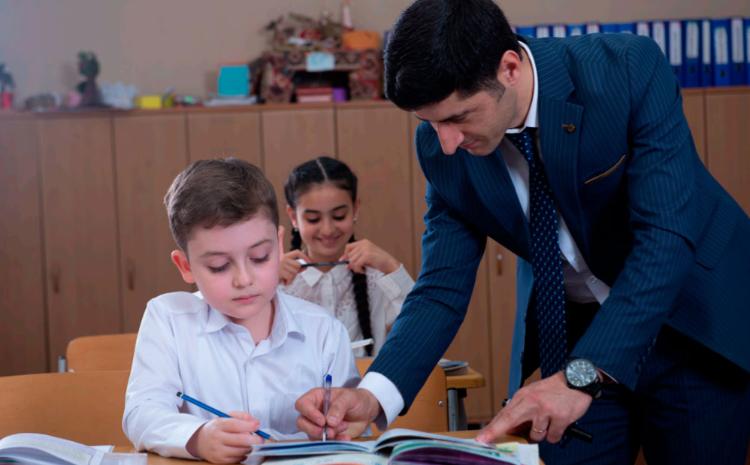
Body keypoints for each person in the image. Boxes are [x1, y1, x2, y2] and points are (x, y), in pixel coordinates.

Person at [294, 1, 750, 464]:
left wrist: (580, 378)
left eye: (458, 117)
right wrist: (372, 394)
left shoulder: (627, 68)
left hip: (689, 317)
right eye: (430, 122)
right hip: (579, 330)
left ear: (509, 68)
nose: (446, 142)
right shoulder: (439, 147)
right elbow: (442, 287)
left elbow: (664, 238)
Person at [123, 158, 360, 464]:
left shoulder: (324, 330)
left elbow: (353, 424)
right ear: (185, 266)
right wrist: (198, 437)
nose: (244, 279)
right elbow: (142, 413)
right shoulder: (168, 319)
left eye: (260, 257)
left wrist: (337, 427)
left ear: (278, 244)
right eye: (219, 266)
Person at [279, 156, 415, 357]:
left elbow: (424, 324)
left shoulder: (376, 277)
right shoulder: (280, 283)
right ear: (293, 217)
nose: (327, 229)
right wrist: (266, 284)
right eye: (313, 219)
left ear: (355, 209)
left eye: (339, 216)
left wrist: (391, 266)